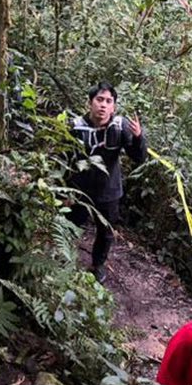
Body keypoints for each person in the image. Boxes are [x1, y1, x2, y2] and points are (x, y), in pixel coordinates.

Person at [66, 81, 147, 284]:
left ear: (114, 107)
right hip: (80, 190)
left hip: (109, 191)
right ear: (90, 102)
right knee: (70, 227)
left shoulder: (120, 128)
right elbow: (64, 159)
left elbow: (138, 157)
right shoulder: (75, 126)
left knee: (105, 232)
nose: (103, 105)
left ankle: (98, 264)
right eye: (99, 100)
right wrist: (64, 190)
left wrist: (138, 138)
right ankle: (64, 261)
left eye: (108, 101)